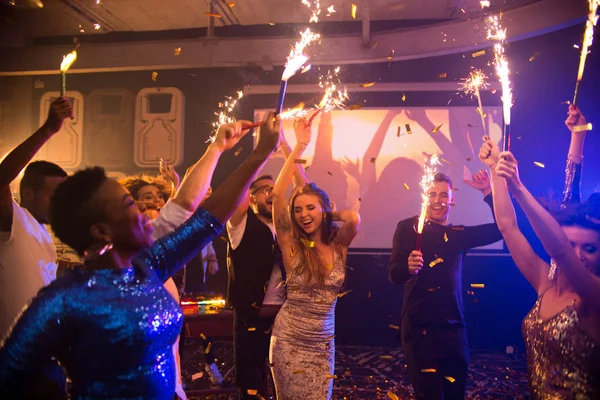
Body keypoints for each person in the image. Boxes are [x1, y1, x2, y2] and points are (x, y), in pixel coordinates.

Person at [0, 113, 281, 399]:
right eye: (127, 205)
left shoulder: (148, 266)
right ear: (102, 231)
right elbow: (9, 371)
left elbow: (212, 216)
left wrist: (260, 153)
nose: (140, 208)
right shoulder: (63, 299)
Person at [480, 135, 600, 396]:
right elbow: (507, 226)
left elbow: (561, 251)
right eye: (572, 244)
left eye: (590, 248)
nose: (577, 254)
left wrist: (518, 188)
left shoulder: (594, 296)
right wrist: (495, 172)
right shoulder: (545, 283)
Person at [388, 168, 502, 399]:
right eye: (432, 194)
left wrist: (489, 192)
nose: (437, 201)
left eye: (443, 195)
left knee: (454, 394)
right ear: (424, 197)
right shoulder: (408, 228)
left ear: (452, 199)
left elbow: (503, 227)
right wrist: (408, 268)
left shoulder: (458, 234)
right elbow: (394, 274)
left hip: (454, 329)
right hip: (419, 328)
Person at [269, 118, 360, 399]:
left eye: (310, 208)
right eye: (297, 210)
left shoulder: (338, 244)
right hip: (289, 339)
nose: (303, 215)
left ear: (324, 208)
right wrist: (300, 144)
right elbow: (276, 195)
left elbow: (353, 217)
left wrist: (324, 215)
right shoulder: (291, 243)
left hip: (323, 343)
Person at [226, 130, 308, 399]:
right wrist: (264, 150)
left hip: (288, 318)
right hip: (252, 316)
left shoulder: (289, 226)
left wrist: (291, 146)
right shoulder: (240, 224)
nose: (272, 194)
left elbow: (306, 192)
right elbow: (236, 191)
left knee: (289, 381)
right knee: (251, 385)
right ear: (251, 198)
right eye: (264, 190)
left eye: (275, 189)